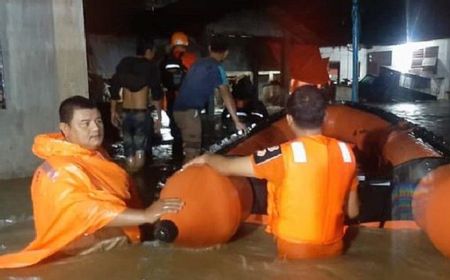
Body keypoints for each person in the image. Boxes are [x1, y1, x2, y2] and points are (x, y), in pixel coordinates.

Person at [0, 96, 183, 268]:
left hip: (105, 237)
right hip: (76, 250)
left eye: (98, 121)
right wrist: (144, 215)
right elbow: (85, 211)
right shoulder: (64, 168)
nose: (95, 129)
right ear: (65, 129)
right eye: (85, 124)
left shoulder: (92, 154)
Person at [185, 86, 359, 260]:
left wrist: (208, 158)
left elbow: (227, 167)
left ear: (289, 119)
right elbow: (353, 212)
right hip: (335, 247)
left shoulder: (282, 156)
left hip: (295, 248)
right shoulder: (347, 153)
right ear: (325, 117)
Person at [173, 36, 246, 162]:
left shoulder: (197, 63)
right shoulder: (216, 68)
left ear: (209, 48)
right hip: (190, 112)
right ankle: (187, 180)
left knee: (189, 149)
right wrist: (237, 121)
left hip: (177, 111)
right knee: (192, 153)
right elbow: (226, 95)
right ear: (226, 53)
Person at [110, 37, 163, 172]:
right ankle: (137, 180)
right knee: (140, 150)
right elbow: (156, 94)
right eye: (153, 52)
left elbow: (114, 89)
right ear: (148, 51)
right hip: (141, 113)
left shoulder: (124, 64)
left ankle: (130, 176)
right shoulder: (150, 67)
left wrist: (113, 112)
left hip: (125, 113)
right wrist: (159, 118)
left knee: (128, 149)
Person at [160, 32, 194, 161]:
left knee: (178, 132)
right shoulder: (176, 61)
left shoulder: (167, 61)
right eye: (183, 47)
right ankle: (180, 160)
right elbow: (177, 82)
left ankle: (178, 158)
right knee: (182, 133)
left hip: (173, 101)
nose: (184, 49)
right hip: (179, 101)